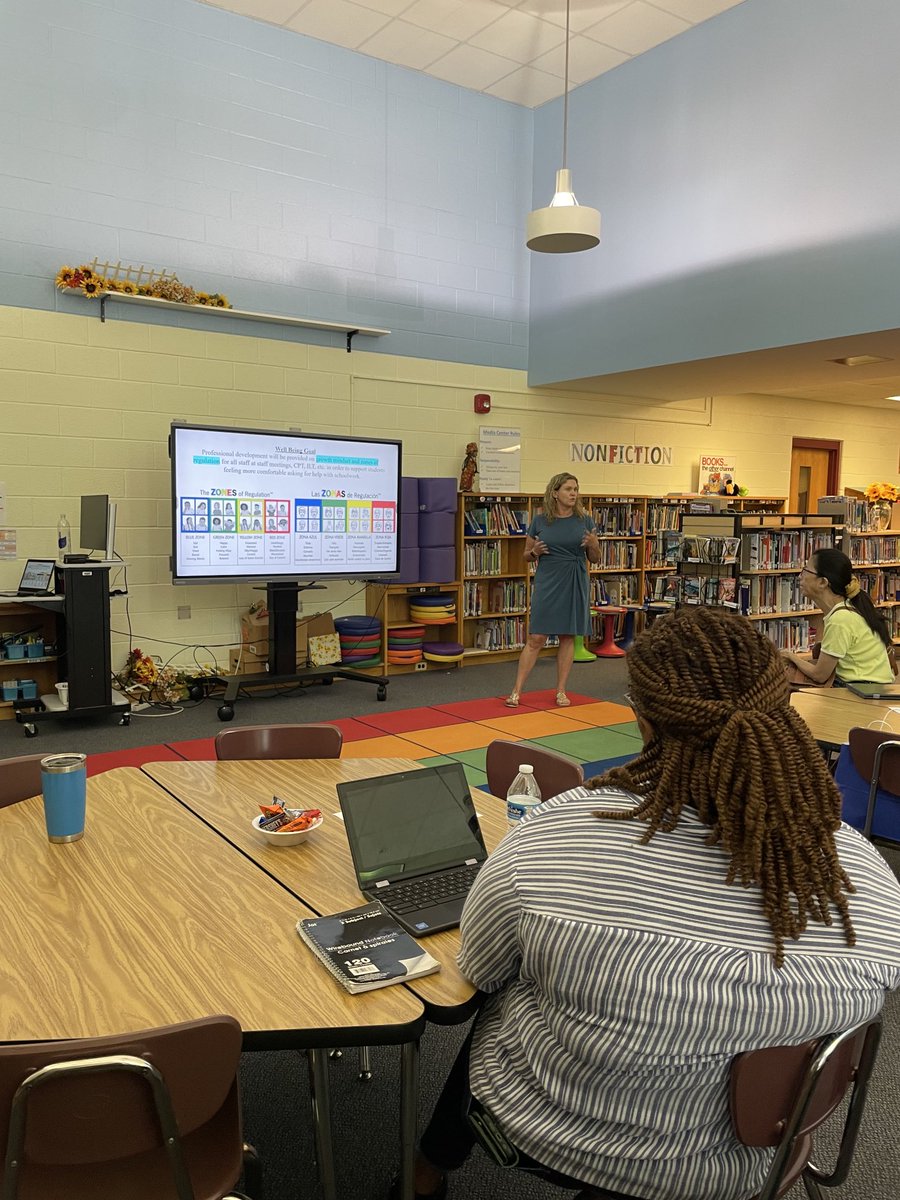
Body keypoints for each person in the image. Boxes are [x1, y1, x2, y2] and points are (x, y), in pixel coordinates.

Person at [405, 608, 900, 1200]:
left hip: (558, 1135)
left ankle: (425, 1172)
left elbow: (480, 969)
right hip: (749, 1162)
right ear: (782, 713)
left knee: (504, 998)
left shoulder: (551, 836)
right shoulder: (864, 880)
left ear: (639, 721)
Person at [506, 473, 600, 707]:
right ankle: (516, 690)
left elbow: (595, 559)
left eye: (576, 489)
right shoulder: (540, 521)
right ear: (555, 492)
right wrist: (535, 551)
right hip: (548, 578)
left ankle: (560, 691)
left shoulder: (585, 521)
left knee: (568, 636)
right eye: (568, 489)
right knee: (536, 636)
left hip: (574, 577)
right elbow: (527, 556)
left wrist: (594, 545)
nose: (573, 493)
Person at [781, 547, 895, 686]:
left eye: (806, 570)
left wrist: (791, 656)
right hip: (866, 686)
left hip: (862, 690)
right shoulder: (845, 609)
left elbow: (820, 675)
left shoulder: (840, 619)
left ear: (823, 582)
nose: (800, 576)